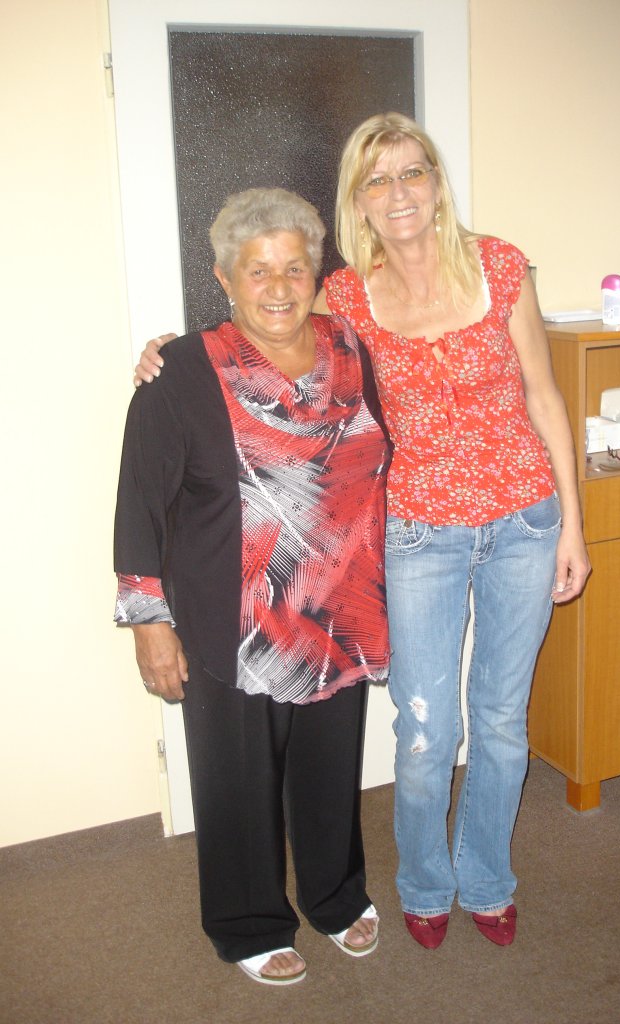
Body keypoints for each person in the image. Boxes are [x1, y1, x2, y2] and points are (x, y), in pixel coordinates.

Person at [135, 113, 591, 950]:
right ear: (359, 201)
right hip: (415, 534)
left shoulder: (500, 266)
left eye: (412, 172)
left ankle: (487, 878)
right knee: (425, 730)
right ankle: (425, 883)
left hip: (525, 521)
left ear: (437, 182)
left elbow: (545, 396)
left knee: (500, 721)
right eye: (377, 179)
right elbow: (261, 317)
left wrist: (573, 526)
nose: (398, 192)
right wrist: (169, 348)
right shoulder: (347, 295)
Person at [115, 188, 390, 985]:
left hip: (338, 608)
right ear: (224, 278)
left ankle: (334, 896)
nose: (278, 286)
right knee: (236, 779)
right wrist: (150, 623)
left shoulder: (351, 348)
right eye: (256, 269)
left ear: (317, 274)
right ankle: (247, 922)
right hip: (232, 619)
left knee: (329, 770)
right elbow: (140, 502)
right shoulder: (179, 371)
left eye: (294, 268)